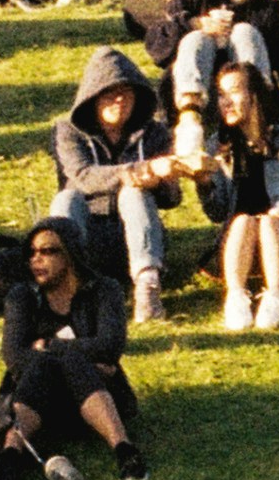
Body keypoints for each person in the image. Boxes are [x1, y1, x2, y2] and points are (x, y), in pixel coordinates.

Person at [0, 215, 145, 480]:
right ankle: (10, 456)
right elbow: (15, 358)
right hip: (41, 396)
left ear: (71, 254)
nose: (36, 260)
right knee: (47, 365)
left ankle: (125, 450)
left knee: (64, 360)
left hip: (96, 394)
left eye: (48, 251)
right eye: (31, 253)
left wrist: (51, 346)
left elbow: (110, 345)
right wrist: (80, 358)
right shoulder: (22, 296)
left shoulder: (105, 290)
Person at [46, 44, 186, 313]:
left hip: (137, 239)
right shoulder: (68, 132)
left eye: (126, 94)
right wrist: (138, 171)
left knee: (134, 193)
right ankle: (66, 289)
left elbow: (172, 200)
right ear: (93, 97)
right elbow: (82, 176)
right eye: (109, 94)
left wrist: (163, 180)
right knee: (67, 197)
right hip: (86, 237)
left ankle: (147, 288)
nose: (119, 101)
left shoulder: (154, 133)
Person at [183, 56, 279, 330]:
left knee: (267, 222)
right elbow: (217, 212)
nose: (226, 102)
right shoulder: (217, 145)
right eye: (220, 94)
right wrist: (205, 183)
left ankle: (274, 298)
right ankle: (236, 298)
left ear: (254, 94)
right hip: (238, 240)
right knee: (244, 220)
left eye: (234, 91)